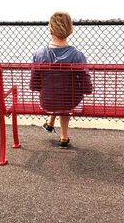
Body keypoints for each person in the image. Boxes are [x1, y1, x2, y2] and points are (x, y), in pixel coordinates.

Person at [30, 11, 91, 149]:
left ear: (51, 30)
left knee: (56, 92)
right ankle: (63, 137)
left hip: (47, 101)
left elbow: (34, 85)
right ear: (70, 30)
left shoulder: (38, 55)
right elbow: (87, 88)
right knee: (66, 95)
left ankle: (51, 123)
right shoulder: (78, 56)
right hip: (69, 100)